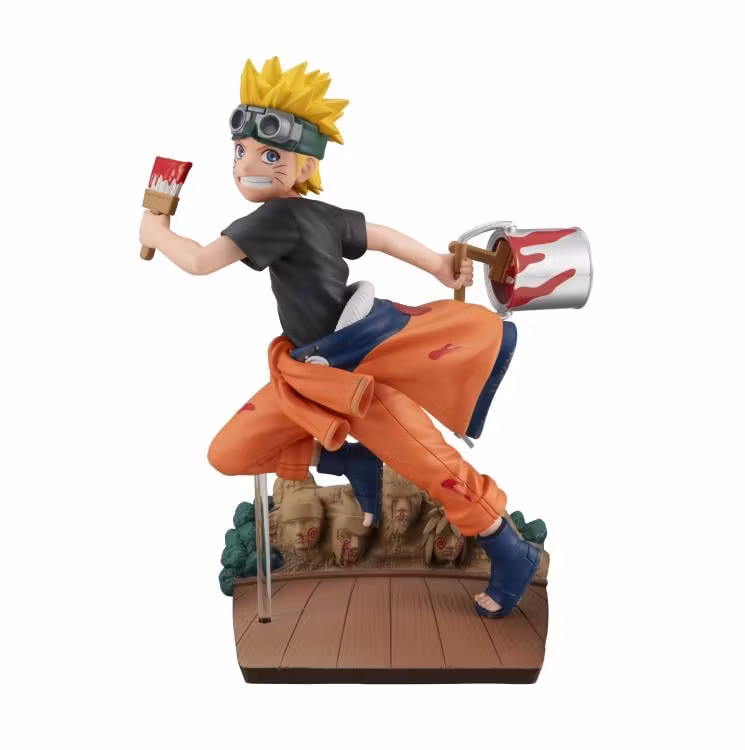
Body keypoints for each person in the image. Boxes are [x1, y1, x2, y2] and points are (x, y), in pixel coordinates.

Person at [139, 56, 540, 618]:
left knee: (438, 470)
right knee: (229, 452)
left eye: (270, 155)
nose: (248, 165)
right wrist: (434, 264)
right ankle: (350, 459)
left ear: (304, 166)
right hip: (305, 374)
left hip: (358, 375)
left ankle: (510, 550)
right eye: (240, 150)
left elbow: (203, 262)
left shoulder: (277, 218)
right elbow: (380, 235)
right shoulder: (317, 216)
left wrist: (157, 230)